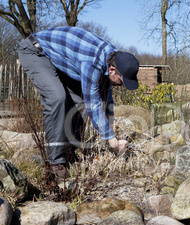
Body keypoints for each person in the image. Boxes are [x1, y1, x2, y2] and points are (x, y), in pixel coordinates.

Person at [17, 26, 140, 177]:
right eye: (122, 81)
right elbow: (93, 104)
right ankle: (55, 163)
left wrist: (111, 135)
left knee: (79, 103)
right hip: (37, 51)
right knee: (57, 97)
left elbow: (106, 99)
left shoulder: (114, 58)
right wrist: (113, 142)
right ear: (112, 70)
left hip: (62, 60)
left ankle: (69, 152)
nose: (122, 85)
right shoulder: (92, 62)